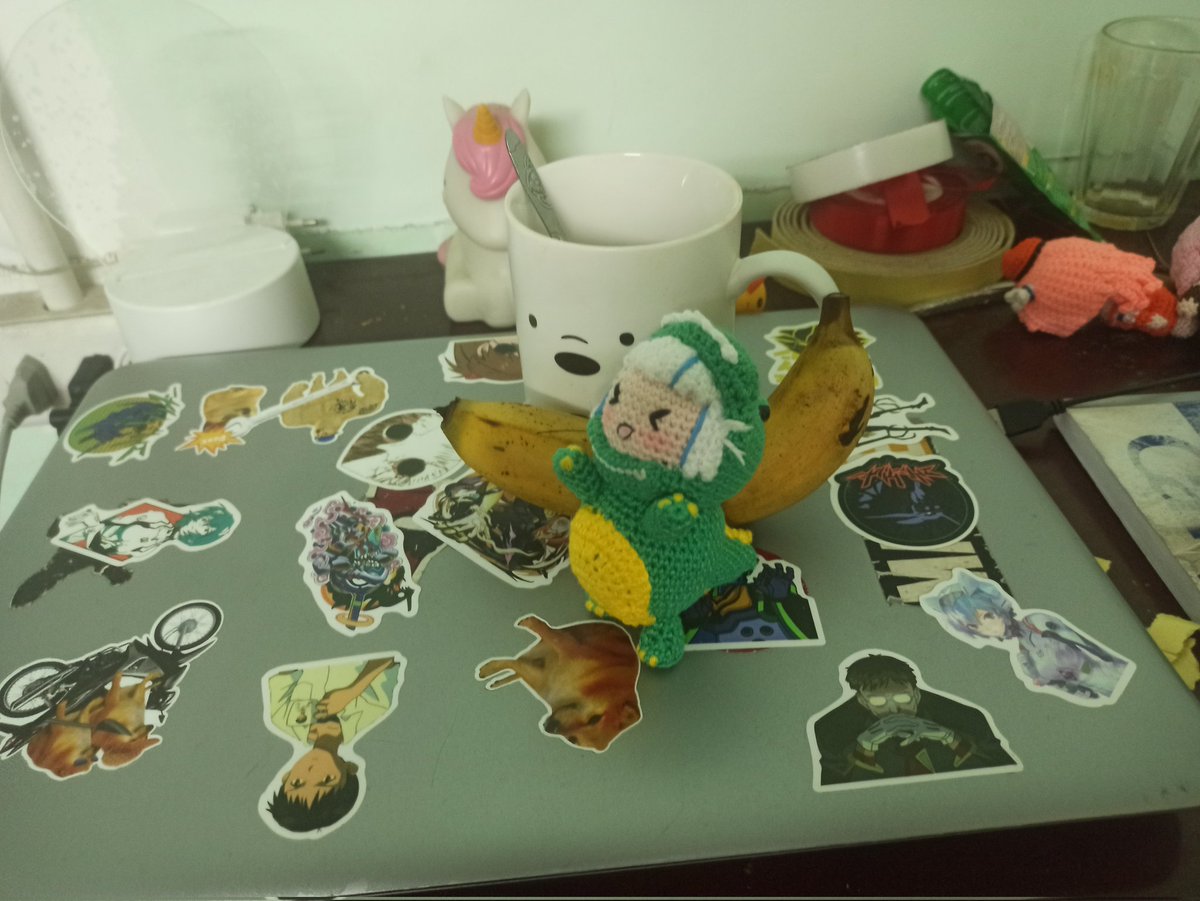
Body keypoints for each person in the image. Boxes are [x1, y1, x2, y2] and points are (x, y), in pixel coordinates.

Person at [812, 653, 1017, 786]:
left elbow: (1004, 770)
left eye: (903, 698)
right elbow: (834, 789)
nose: (894, 709)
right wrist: (864, 749)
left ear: (917, 695)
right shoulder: (832, 730)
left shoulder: (964, 718)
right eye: (878, 701)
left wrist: (951, 738)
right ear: (863, 701)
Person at [925, 570, 1130, 701]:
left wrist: (1118, 667)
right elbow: (1068, 690)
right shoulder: (1023, 660)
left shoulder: (1037, 623)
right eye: (974, 626)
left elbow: (1092, 645)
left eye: (987, 616)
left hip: (1119, 676)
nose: (988, 628)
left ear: (996, 608)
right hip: (1111, 699)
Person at [263, 656, 402, 835]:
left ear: (286, 776)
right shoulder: (375, 710)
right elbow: (389, 657)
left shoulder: (281, 718)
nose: (311, 771)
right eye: (327, 780)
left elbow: (279, 661)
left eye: (297, 782)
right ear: (349, 769)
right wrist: (354, 690)